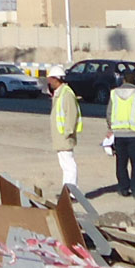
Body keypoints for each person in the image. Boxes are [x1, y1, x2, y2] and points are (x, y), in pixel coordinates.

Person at [106, 68, 135, 196]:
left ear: (124, 80)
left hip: (119, 134)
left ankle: (123, 188)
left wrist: (111, 127)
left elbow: (109, 113)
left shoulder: (114, 94)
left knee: (121, 163)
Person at [46, 65, 82, 193]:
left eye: (50, 79)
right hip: (60, 137)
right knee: (65, 165)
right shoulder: (59, 93)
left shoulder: (66, 94)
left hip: (64, 137)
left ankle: (72, 192)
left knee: (69, 165)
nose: (49, 82)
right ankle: (67, 191)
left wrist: (68, 132)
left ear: (56, 79)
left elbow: (72, 114)